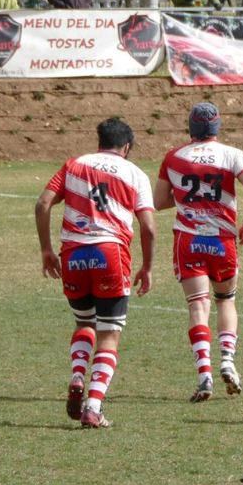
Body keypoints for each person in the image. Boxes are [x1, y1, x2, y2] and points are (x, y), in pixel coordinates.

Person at [34, 117, 156, 428]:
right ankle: (93, 406)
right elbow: (149, 228)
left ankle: (77, 375)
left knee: (84, 321)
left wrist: (47, 250)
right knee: (109, 334)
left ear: (98, 141)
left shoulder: (74, 165)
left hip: (73, 253)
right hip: (110, 253)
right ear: (126, 147)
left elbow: (42, 204)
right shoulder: (136, 174)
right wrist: (147, 266)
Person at [153, 103, 243, 401]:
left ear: (191, 127)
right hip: (223, 241)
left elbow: (159, 201)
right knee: (226, 300)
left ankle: (204, 375)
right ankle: (227, 360)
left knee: (198, 305)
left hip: (189, 240)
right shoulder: (232, 155)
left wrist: (191, 198)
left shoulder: (174, 156)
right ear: (217, 126)